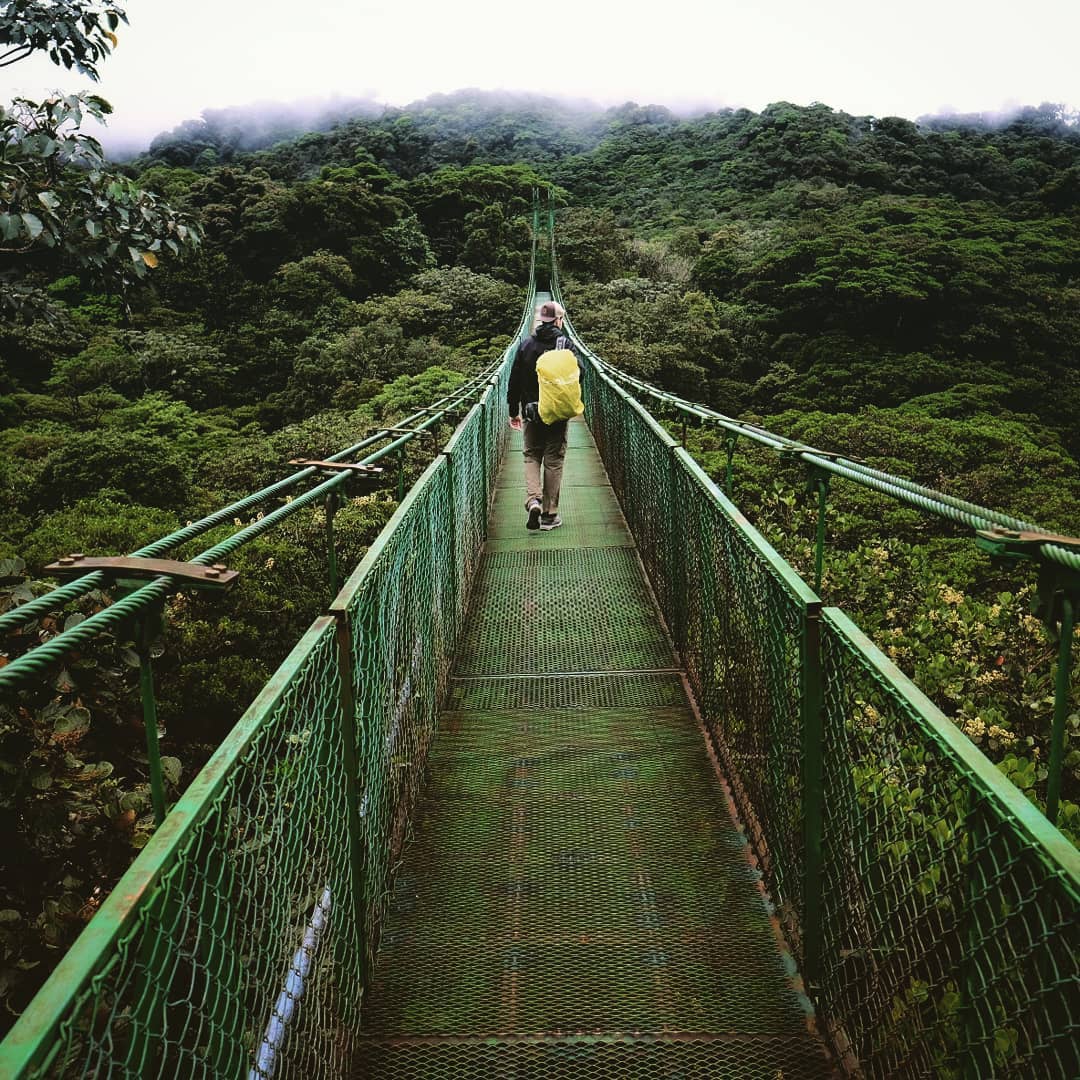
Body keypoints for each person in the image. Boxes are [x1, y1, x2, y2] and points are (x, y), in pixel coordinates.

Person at [507, 300, 582, 531]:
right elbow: (580, 375)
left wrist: (513, 411)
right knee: (554, 459)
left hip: (531, 412)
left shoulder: (526, 344)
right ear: (559, 320)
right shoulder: (566, 345)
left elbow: (514, 380)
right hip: (557, 413)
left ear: (541, 320)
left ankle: (533, 500)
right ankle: (549, 515)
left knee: (531, 455)